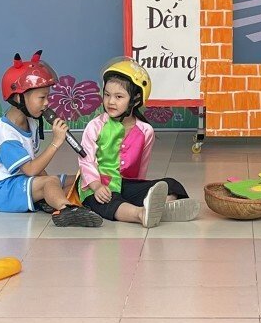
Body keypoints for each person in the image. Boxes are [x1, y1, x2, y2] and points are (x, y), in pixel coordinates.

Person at [0, 52, 102, 226]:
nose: (47, 103)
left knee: (78, 179)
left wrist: (50, 184)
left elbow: (34, 167)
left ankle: (59, 200)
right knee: (51, 182)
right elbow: (30, 169)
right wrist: (56, 142)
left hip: (20, 181)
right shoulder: (6, 136)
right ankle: (66, 210)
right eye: (42, 98)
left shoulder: (30, 121)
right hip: (1, 191)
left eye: (48, 97)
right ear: (19, 97)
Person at [77, 60, 199, 227]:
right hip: (97, 185)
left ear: (135, 100)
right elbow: (86, 160)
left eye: (118, 97)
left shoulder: (145, 131)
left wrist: (141, 190)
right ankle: (140, 214)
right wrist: (96, 186)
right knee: (108, 202)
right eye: (107, 95)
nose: (110, 101)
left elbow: (142, 166)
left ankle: (161, 207)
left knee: (171, 184)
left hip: (125, 184)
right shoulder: (96, 126)